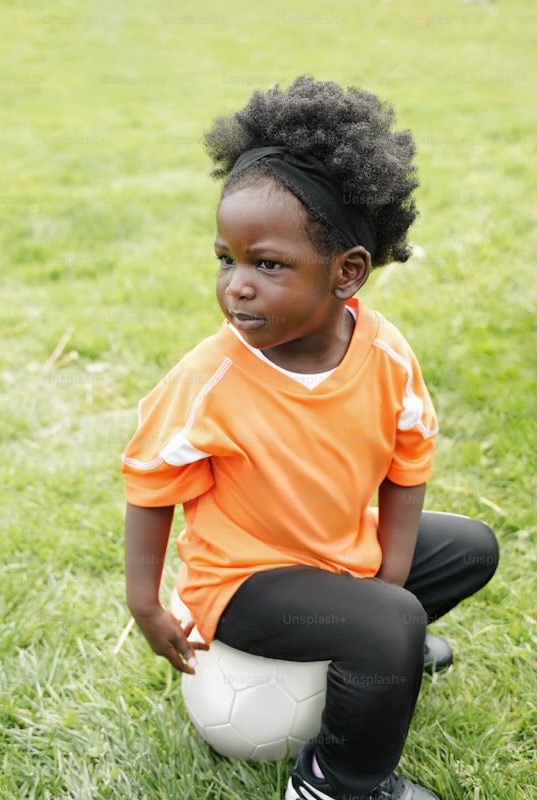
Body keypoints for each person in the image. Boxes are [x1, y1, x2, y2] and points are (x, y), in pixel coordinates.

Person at [122, 77, 498, 800]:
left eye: (268, 265)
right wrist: (147, 602)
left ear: (347, 273)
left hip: (336, 555)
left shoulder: (384, 354)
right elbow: (149, 482)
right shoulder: (210, 377)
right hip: (245, 586)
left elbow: (408, 459)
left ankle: (377, 654)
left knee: (470, 550)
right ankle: (336, 783)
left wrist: (390, 578)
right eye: (226, 259)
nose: (237, 284)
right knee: (388, 621)